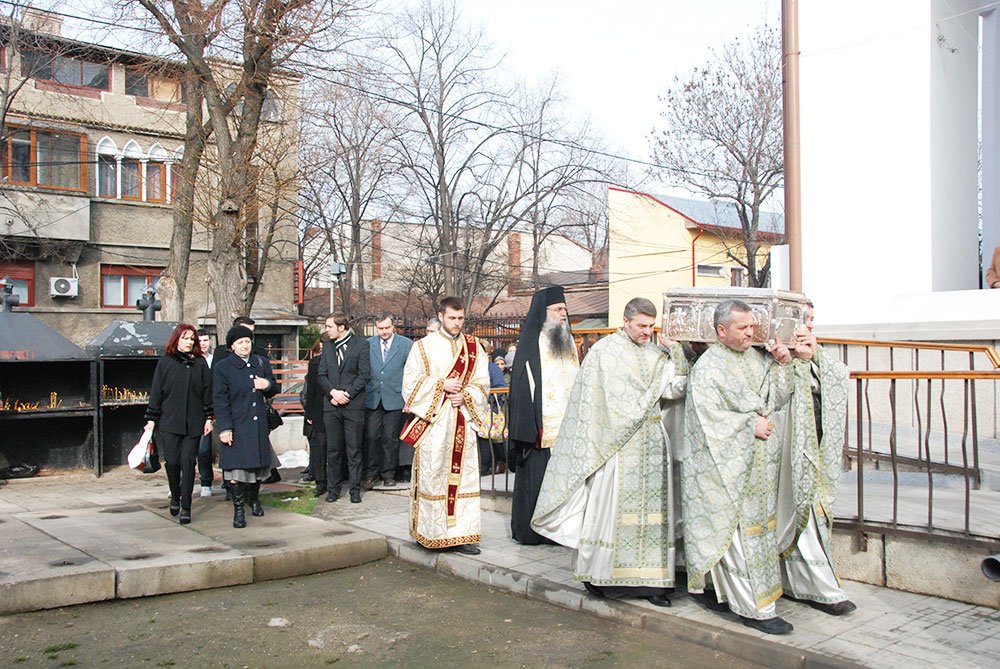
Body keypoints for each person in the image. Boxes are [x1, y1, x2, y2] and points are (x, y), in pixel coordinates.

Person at [531, 297, 686, 607]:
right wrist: (645, 401)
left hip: (653, 444)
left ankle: (653, 582)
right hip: (616, 447)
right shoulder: (604, 353)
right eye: (641, 326)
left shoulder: (658, 354)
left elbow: (674, 390)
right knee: (612, 512)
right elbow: (603, 407)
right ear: (625, 321)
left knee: (654, 516)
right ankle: (603, 577)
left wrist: (677, 353)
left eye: (650, 326)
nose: (646, 332)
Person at [681, 299, 799, 634]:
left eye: (752, 327)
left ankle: (729, 594)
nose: (751, 333)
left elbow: (775, 398)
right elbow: (708, 420)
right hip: (724, 472)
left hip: (756, 466)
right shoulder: (708, 368)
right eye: (742, 328)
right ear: (721, 330)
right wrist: (749, 426)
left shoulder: (756, 358)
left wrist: (782, 365)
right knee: (734, 538)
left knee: (756, 536)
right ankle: (754, 608)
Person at [776, 303, 857, 615]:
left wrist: (812, 360)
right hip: (782, 451)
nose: (809, 327)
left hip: (810, 451)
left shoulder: (817, 354)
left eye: (811, 320)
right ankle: (809, 586)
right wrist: (794, 364)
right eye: (804, 320)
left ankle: (817, 586)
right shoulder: (773, 354)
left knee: (809, 514)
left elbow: (835, 380)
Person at [401, 296, 490, 555]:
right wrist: (441, 384)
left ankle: (461, 535)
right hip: (434, 425)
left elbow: (483, 383)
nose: (456, 323)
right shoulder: (423, 347)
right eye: (452, 318)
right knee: (433, 475)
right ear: (441, 316)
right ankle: (429, 532)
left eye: (461, 318)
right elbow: (410, 384)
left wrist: (466, 395)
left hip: (462, 418)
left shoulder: (474, 347)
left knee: (462, 478)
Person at [507, 286, 580, 545]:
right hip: (540, 429)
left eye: (564, 309)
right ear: (544, 312)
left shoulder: (568, 340)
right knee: (536, 480)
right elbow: (522, 388)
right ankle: (531, 531)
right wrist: (530, 427)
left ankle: (558, 530)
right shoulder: (532, 342)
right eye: (558, 309)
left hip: (567, 427)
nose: (564, 314)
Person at [145, 324, 214, 525]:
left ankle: (186, 506)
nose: (189, 342)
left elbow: (207, 391)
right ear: (176, 339)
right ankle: (175, 495)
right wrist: (151, 419)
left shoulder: (200, 363)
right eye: (185, 338)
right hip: (170, 421)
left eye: (192, 339)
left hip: (194, 421)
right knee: (173, 462)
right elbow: (157, 391)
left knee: (188, 462)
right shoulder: (166, 362)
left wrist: (209, 418)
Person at [213, 325, 280, 528]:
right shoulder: (223, 367)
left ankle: (254, 499)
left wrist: (266, 385)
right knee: (236, 471)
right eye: (241, 342)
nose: (245, 346)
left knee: (257, 467)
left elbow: (275, 387)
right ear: (232, 345)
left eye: (248, 342)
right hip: (236, 424)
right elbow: (220, 399)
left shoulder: (260, 362)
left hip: (257, 423)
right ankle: (239, 509)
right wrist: (225, 428)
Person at [317, 312, 371, 504]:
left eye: (329, 326)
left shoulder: (361, 345)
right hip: (331, 406)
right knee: (333, 450)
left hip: (353, 406)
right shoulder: (328, 346)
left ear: (341, 327)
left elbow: (364, 375)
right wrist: (333, 393)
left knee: (354, 449)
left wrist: (346, 394)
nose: (326, 330)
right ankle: (333, 489)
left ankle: (355, 489)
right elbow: (321, 374)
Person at [363, 314, 413, 488]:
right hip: (373, 397)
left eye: (387, 328)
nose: (384, 332)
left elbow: (412, 372)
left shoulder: (406, 345)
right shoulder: (368, 344)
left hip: (395, 398)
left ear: (393, 327)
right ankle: (371, 473)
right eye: (380, 328)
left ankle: (388, 474)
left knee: (389, 438)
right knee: (371, 436)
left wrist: (409, 398)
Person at [303, 340, 328, 497]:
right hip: (318, 410)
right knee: (319, 446)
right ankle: (320, 480)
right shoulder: (314, 364)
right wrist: (309, 414)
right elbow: (310, 390)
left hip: (337, 407)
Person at [477, 348, 508, 476]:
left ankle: (489, 464)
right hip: (476, 407)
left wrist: (490, 399)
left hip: (489, 407)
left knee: (488, 436)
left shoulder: (490, 368)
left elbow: (500, 387)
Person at [196, 329, 216, 498]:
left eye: (205, 340)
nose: (202, 343)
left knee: (205, 450)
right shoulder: (192, 361)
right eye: (199, 340)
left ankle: (206, 482)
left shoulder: (214, 361)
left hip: (212, 410)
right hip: (197, 410)